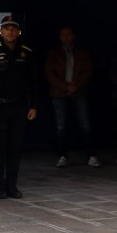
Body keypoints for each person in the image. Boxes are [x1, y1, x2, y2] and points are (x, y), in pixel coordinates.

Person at [0, 15, 38, 199]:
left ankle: (12, 185)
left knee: (15, 147)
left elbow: (34, 82)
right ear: (1, 31)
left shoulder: (26, 52)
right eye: (6, 28)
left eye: (13, 29)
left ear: (18, 32)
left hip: (19, 107)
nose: (10, 32)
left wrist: (34, 106)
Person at [44, 26, 98, 168]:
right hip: (59, 92)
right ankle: (62, 155)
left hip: (79, 92)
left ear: (73, 36)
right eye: (63, 35)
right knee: (61, 125)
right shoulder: (54, 53)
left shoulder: (82, 53)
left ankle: (91, 155)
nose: (66, 37)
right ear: (60, 37)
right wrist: (65, 86)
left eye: (69, 35)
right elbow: (49, 73)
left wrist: (76, 85)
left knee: (85, 124)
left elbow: (87, 71)